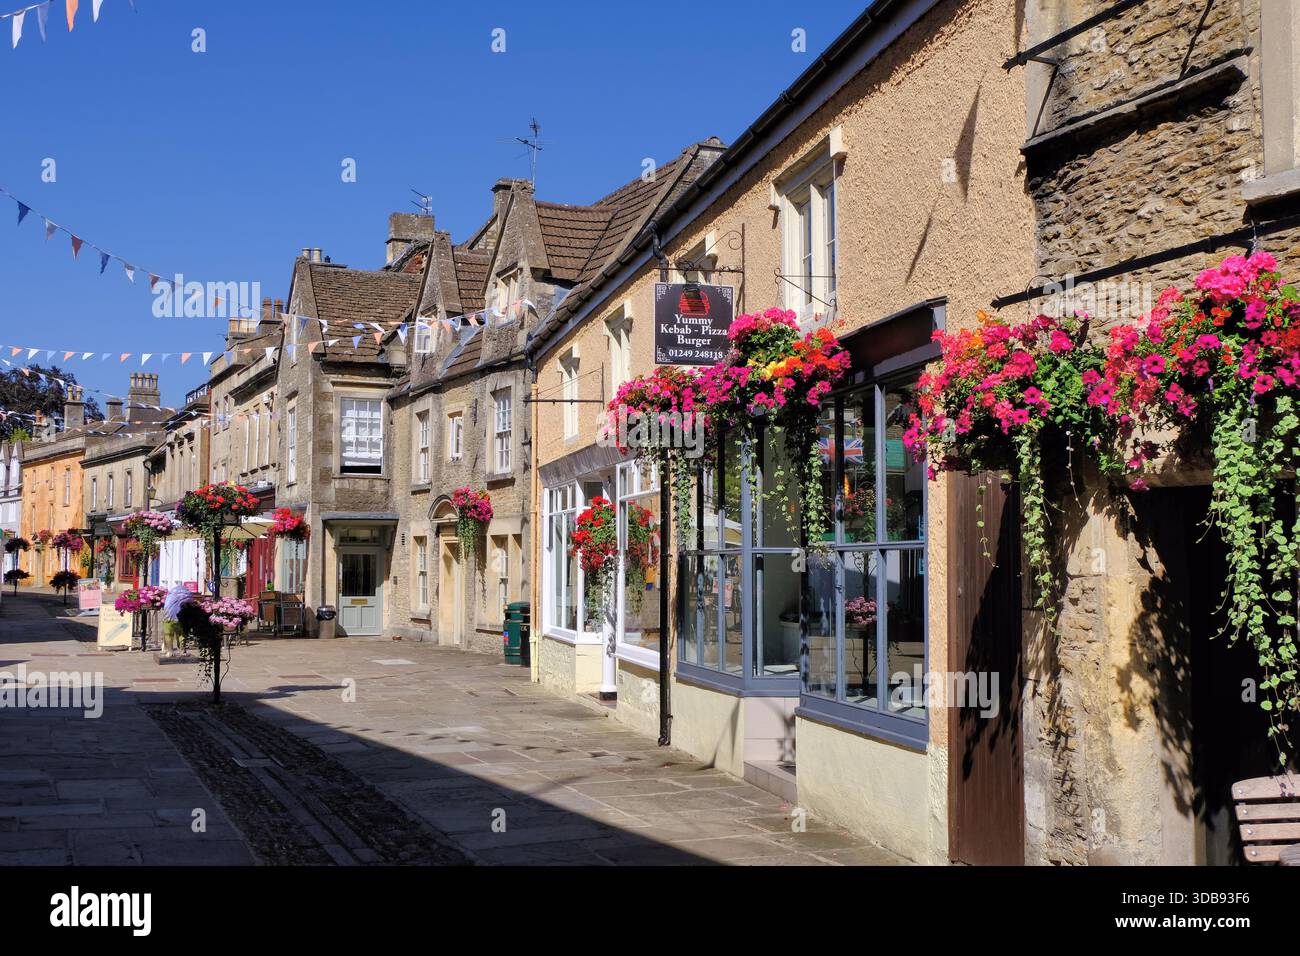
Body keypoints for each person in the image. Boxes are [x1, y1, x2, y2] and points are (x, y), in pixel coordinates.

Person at [160, 583, 193, 657]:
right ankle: (182, 650)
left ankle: (170, 651)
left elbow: (167, 606)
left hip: (169, 618)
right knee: (181, 634)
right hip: (181, 618)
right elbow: (191, 605)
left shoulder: (171, 595)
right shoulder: (187, 594)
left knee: (168, 634)